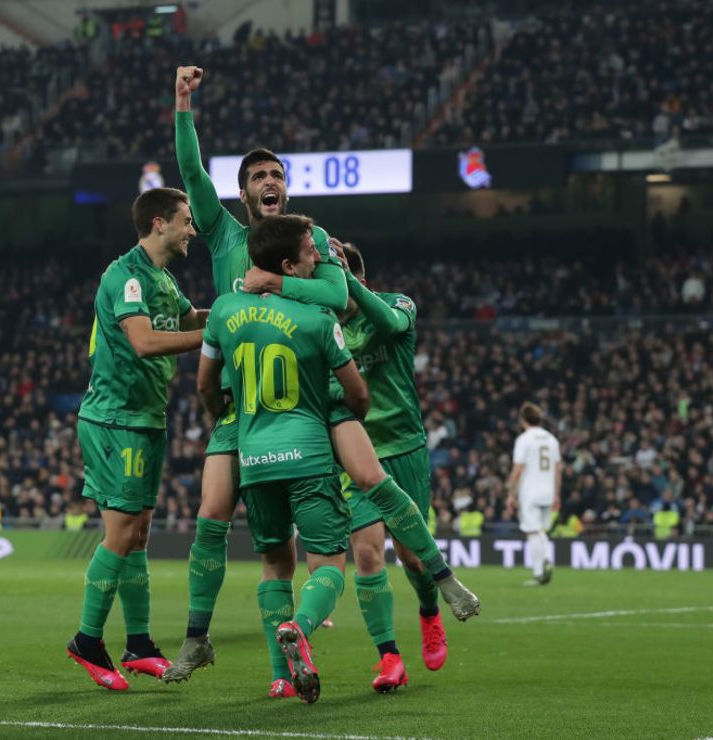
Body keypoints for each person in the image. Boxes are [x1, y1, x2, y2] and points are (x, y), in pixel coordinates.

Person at [164, 65, 479, 688]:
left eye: (277, 173)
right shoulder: (224, 232)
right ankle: (213, 644)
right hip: (247, 403)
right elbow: (191, 173)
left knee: (372, 485)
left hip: (315, 395)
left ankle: (438, 581)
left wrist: (276, 282)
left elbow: (337, 293)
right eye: (257, 176)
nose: (269, 180)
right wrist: (181, 103)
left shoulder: (311, 238)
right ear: (243, 192)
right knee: (225, 525)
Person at [197, 214, 370, 704]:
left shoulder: (225, 311)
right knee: (329, 566)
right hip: (310, 455)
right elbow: (358, 395)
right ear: (290, 265)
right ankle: (301, 625)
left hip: (254, 458)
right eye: (311, 253)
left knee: (275, 565)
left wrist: (228, 421)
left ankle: (279, 677)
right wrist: (344, 418)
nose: (318, 259)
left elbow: (206, 385)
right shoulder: (318, 319)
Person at [65, 187, 207, 691]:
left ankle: (140, 644)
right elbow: (145, 343)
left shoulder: (164, 280)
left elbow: (192, 321)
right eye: (186, 221)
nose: (193, 229)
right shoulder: (124, 275)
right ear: (159, 224)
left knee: (139, 532)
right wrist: (217, 338)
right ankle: (87, 640)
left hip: (147, 419)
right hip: (115, 419)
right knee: (122, 534)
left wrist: (240, 314)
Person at [335, 241, 448, 692]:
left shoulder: (396, 304)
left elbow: (387, 323)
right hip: (357, 449)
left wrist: (346, 284)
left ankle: (429, 613)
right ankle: (389, 657)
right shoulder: (327, 325)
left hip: (403, 447)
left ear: (354, 278)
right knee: (365, 553)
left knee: (414, 559)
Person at [507, 403, 561, 587]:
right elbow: (558, 469)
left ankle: (544, 562)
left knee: (532, 531)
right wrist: (557, 494)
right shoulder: (552, 439)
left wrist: (511, 493)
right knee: (540, 531)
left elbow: (518, 469)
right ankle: (541, 572)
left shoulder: (524, 439)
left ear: (523, 420)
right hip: (548, 491)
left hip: (530, 491)